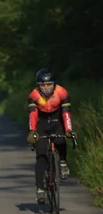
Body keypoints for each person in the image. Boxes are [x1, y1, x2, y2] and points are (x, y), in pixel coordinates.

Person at [26, 68, 76, 203]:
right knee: (41, 155)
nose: (46, 88)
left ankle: (63, 161)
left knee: (60, 140)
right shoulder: (34, 95)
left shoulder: (62, 92)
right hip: (41, 122)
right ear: (38, 85)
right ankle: (40, 189)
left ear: (54, 84)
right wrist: (32, 131)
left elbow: (66, 113)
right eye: (43, 85)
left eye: (49, 85)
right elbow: (33, 114)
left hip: (56, 119)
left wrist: (69, 129)